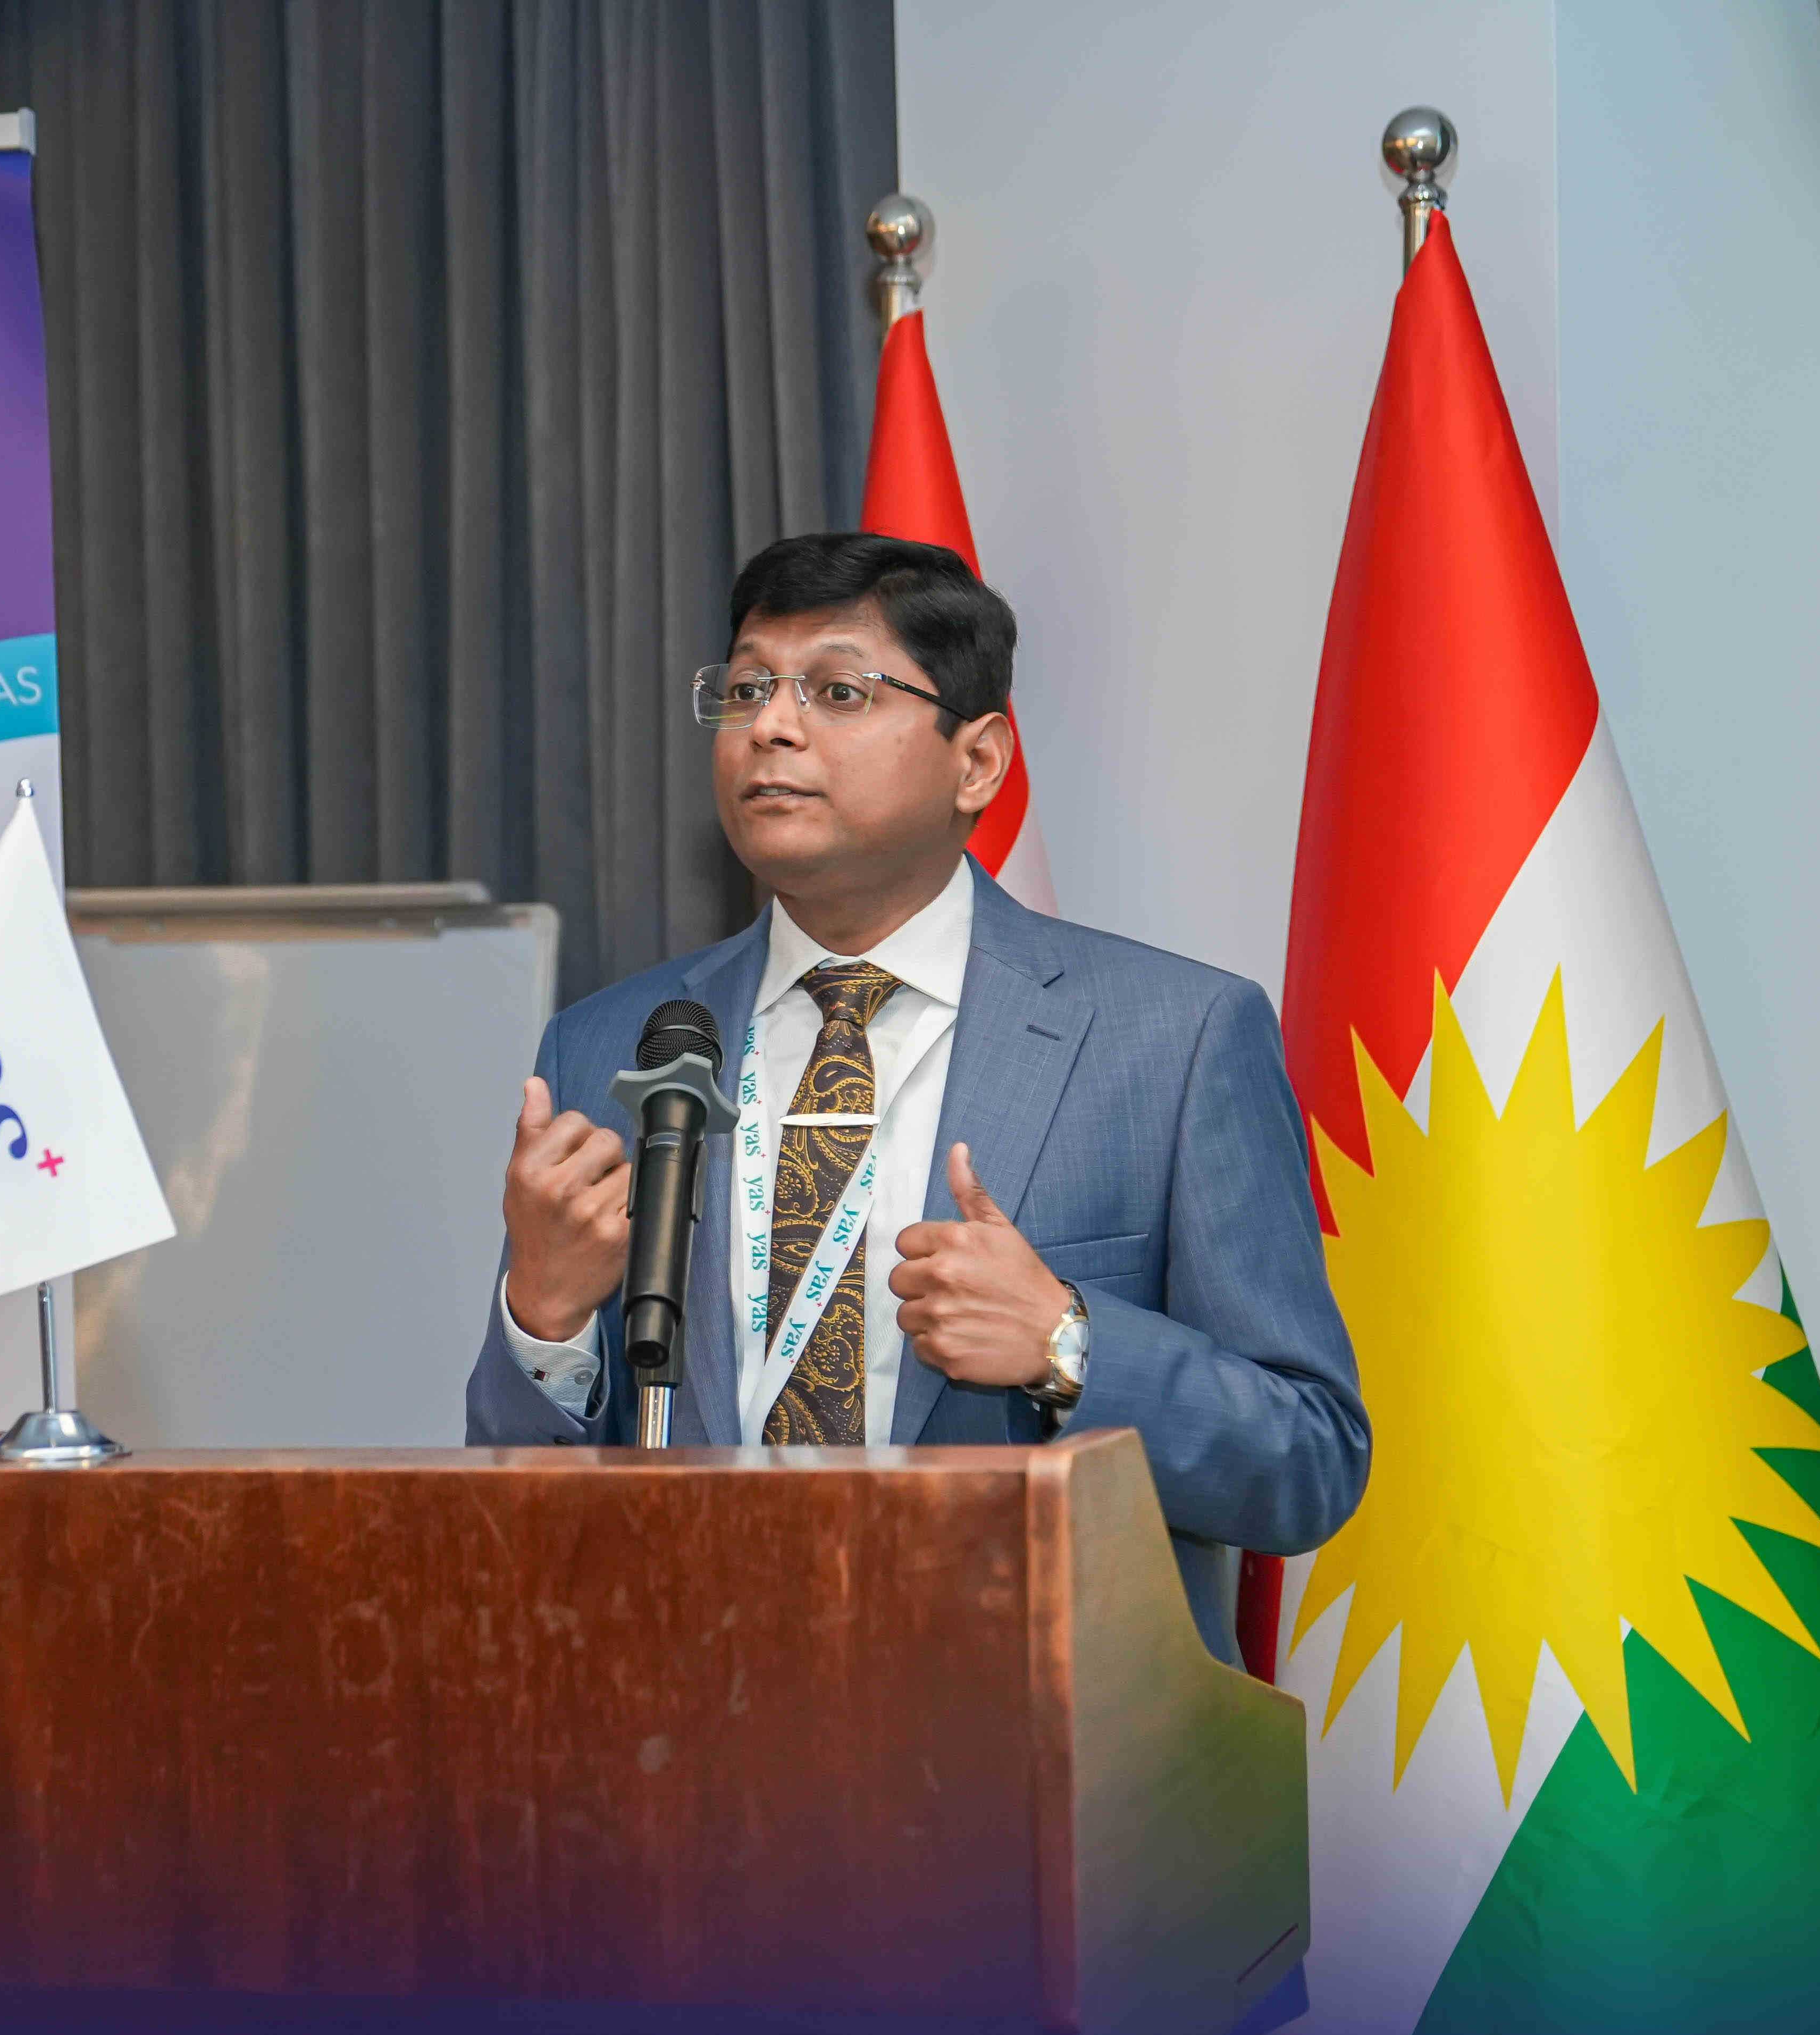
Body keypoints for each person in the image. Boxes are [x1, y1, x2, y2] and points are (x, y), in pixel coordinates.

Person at [464, 531, 1366, 1665]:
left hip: (1031, 1729)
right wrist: (545, 1320)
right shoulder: (615, 1044)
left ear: (977, 762)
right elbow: (513, 1515)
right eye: (746, 689)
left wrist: (1067, 1344)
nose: (771, 726)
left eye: (838, 691)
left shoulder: (1172, 1039)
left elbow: (1308, 1463)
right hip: (693, 1716)